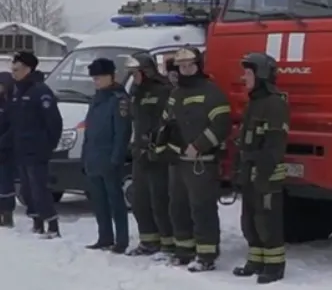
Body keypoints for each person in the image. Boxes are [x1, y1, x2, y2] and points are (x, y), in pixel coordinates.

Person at [156, 47, 230, 272]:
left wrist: (198, 146)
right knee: (177, 206)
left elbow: (221, 124)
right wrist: (164, 145)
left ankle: (206, 255)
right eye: (182, 66)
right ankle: (184, 251)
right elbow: (166, 122)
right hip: (178, 161)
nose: (186, 70)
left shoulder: (212, 92)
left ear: (198, 66)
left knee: (201, 207)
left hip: (201, 162)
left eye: (190, 65)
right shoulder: (176, 93)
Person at [231, 53, 289, 284]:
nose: (243, 77)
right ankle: (256, 261)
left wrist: (261, 171)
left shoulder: (274, 104)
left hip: (266, 174)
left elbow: (274, 146)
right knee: (250, 220)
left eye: (248, 72)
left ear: (261, 74)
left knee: (267, 221)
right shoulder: (255, 102)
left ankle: (274, 266)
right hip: (250, 171)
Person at [124, 52, 175, 257]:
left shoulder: (163, 91)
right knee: (139, 199)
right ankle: (148, 241)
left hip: (158, 154)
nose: (133, 77)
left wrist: (156, 142)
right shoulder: (135, 92)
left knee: (160, 200)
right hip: (140, 153)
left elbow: (169, 123)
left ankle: (168, 243)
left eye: (136, 73)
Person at [7, 52, 63, 237]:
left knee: (39, 188)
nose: (13, 73)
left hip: (36, 149)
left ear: (28, 69)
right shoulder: (16, 90)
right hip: (21, 149)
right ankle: (36, 221)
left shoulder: (40, 91)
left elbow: (54, 122)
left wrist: (47, 146)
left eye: (17, 69)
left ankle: (52, 224)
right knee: (26, 189)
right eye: (12, 69)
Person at [82, 58, 133, 253]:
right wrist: (85, 157)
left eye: (100, 77)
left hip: (109, 158)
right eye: (94, 78)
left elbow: (122, 133)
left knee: (115, 201)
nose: (96, 81)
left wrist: (116, 158)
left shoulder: (118, 99)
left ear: (112, 76)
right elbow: (89, 131)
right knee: (99, 201)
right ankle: (105, 236)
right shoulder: (96, 99)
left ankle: (121, 240)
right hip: (94, 158)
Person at [0, 72, 16, 227]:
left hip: (6, 150)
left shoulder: (11, 104)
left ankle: (7, 212)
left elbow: (13, 128)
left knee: (5, 183)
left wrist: (3, 141)